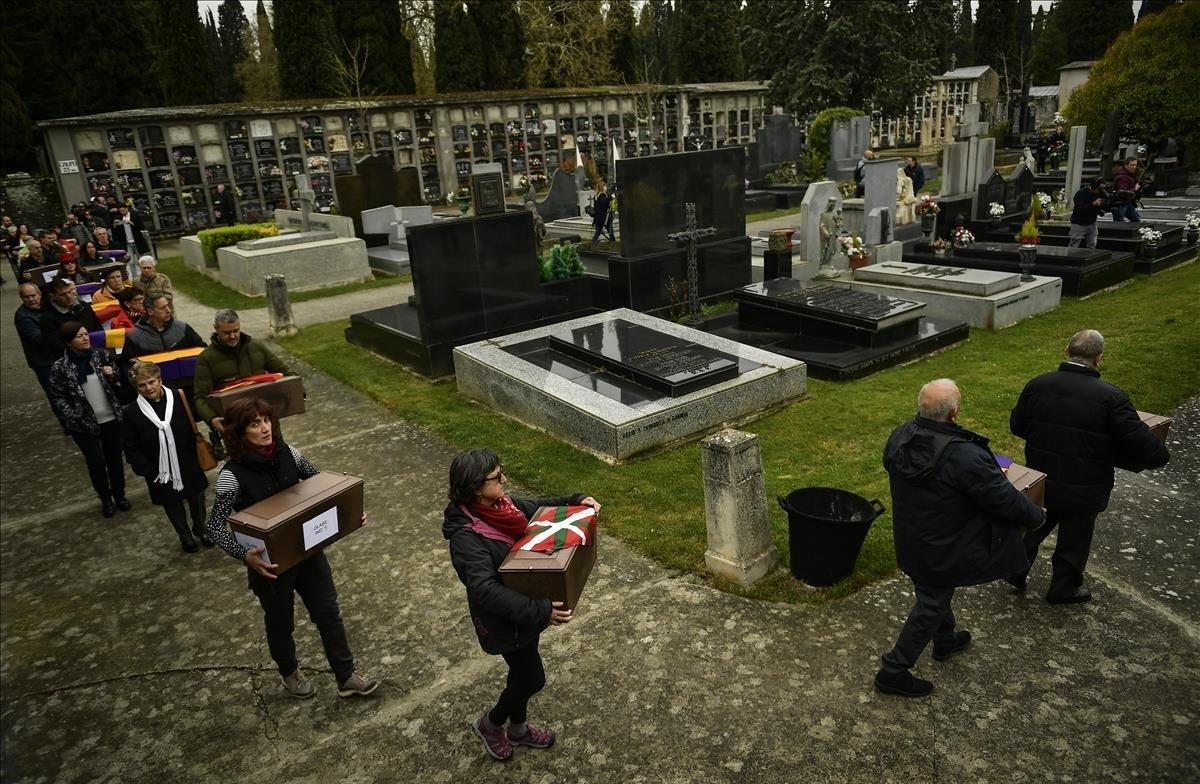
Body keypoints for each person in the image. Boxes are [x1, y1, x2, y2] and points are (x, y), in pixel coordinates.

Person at [875, 379, 1044, 698]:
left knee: (932, 588)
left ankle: (945, 639)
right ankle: (893, 670)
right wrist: (1036, 516)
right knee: (932, 600)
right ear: (954, 414)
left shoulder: (900, 437)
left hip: (913, 536)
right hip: (945, 543)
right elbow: (1002, 498)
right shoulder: (963, 455)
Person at [205, 397, 379, 699]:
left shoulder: (290, 454)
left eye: (266, 420)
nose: (265, 428)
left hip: (307, 553)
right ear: (239, 432)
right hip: (269, 567)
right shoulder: (230, 477)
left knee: (328, 613)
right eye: (255, 424)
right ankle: (289, 671)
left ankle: (346, 676)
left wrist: (348, 513)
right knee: (280, 623)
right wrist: (245, 555)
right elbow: (215, 527)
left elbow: (323, 486)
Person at [442, 448, 601, 760]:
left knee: (520, 675)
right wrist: (541, 611)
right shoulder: (466, 537)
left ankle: (518, 729)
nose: (504, 479)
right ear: (475, 488)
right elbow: (484, 590)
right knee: (531, 678)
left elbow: (539, 509)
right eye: (497, 477)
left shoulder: (502, 506)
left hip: (523, 614)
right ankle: (491, 724)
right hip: (503, 622)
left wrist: (575, 499)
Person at [1010, 330, 1170, 604]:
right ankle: (1063, 588)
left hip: (1044, 477)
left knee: (1037, 524)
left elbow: (1018, 426)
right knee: (1074, 541)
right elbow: (1141, 442)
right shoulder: (1111, 398)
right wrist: (1160, 456)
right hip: (1085, 485)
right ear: (1098, 359)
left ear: (1067, 350)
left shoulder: (1038, 384)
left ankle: (1014, 568)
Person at [122, 361, 211, 553]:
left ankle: (201, 528)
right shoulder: (131, 412)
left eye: (152, 382)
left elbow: (193, 424)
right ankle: (184, 534)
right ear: (136, 387)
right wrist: (147, 469)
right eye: (142, 385)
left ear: (160, 379)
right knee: (171, 502)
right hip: (158, 468)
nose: (148, 388)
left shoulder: (178, 398)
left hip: (187, 460)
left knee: (197, 497)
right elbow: (130, 446)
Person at [48, 321, 130, 518]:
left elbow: (121, 381)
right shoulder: (60, 367)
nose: (85, 338)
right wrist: (72, 415)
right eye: (79, 336)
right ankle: (106, 499)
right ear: (68, 343)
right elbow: (57, 396)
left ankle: (120, 496)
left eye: (86, 334)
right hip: (83, 424)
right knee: (95, 463)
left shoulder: (102, 355)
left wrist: (114, 374)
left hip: (110, 418)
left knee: (115, 460)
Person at [193, 309, 291, 433]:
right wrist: (212, 419)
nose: (233, 336)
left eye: (236, 331)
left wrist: (297, 392)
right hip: (235, 427)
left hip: (266, 423)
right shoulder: (206, 359)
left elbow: (285, 372)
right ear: (216, 329)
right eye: (227, 333)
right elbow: (200, 397)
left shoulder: (256, 347)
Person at [14, 283, 65, 424]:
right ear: (21, 298)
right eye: (26, 297)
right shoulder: (23, 316)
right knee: (55, 393)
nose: (30, 299)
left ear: (39, 295)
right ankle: (66, 424)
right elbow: (38, 338)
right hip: (43, 362)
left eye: (33, 296)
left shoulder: (46, 307)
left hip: (56, 355)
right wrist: (63, 332)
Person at [123, 292, 204, 361]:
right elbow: (127, 364)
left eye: (167, 306)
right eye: (162, 308)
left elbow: (202, 350)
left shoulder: (182, 328)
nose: (169, 310)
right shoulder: (134, 337)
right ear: (150, 311)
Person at [39, 279, 101, 356]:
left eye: (69, 292)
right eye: (62, 294)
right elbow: (55, 345)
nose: (68, 296)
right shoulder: (47, 318)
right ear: (53, 296)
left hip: (96, 350)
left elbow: (97, 326)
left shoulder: (83, 306)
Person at [1068, 177, 1108, 249]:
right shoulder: (1081, 193)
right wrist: (1093, 204)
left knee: (1092, 244)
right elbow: (1080, 209)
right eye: (1100, 188)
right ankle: (1070, 258)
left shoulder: (1100, 194)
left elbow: (1099, 208)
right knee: (1074, 244)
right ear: (1094, 186)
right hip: (1079, 223)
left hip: (1092, 223)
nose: (1101, 191)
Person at [1109, 158, 1142, 222]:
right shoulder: (1122, 177)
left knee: (1136, 221)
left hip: (1127, 202)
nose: (1134, 167)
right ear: (1126, 165)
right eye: (1132, 165)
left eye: (1135, 165)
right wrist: (1135, 189)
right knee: (1119, 224)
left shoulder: (1130, 174)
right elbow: (1121, 192)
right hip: (1119, 204)